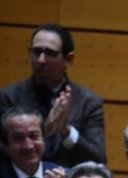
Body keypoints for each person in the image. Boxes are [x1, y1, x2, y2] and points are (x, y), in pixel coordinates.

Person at [0, 24, 105, 167]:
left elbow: (98, 160)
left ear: (68, 59)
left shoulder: (88, 102)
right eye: (36, 52)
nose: (41, 60)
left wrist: (66, 131)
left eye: (50, 53)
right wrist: (43, 134)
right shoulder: (8, 97)